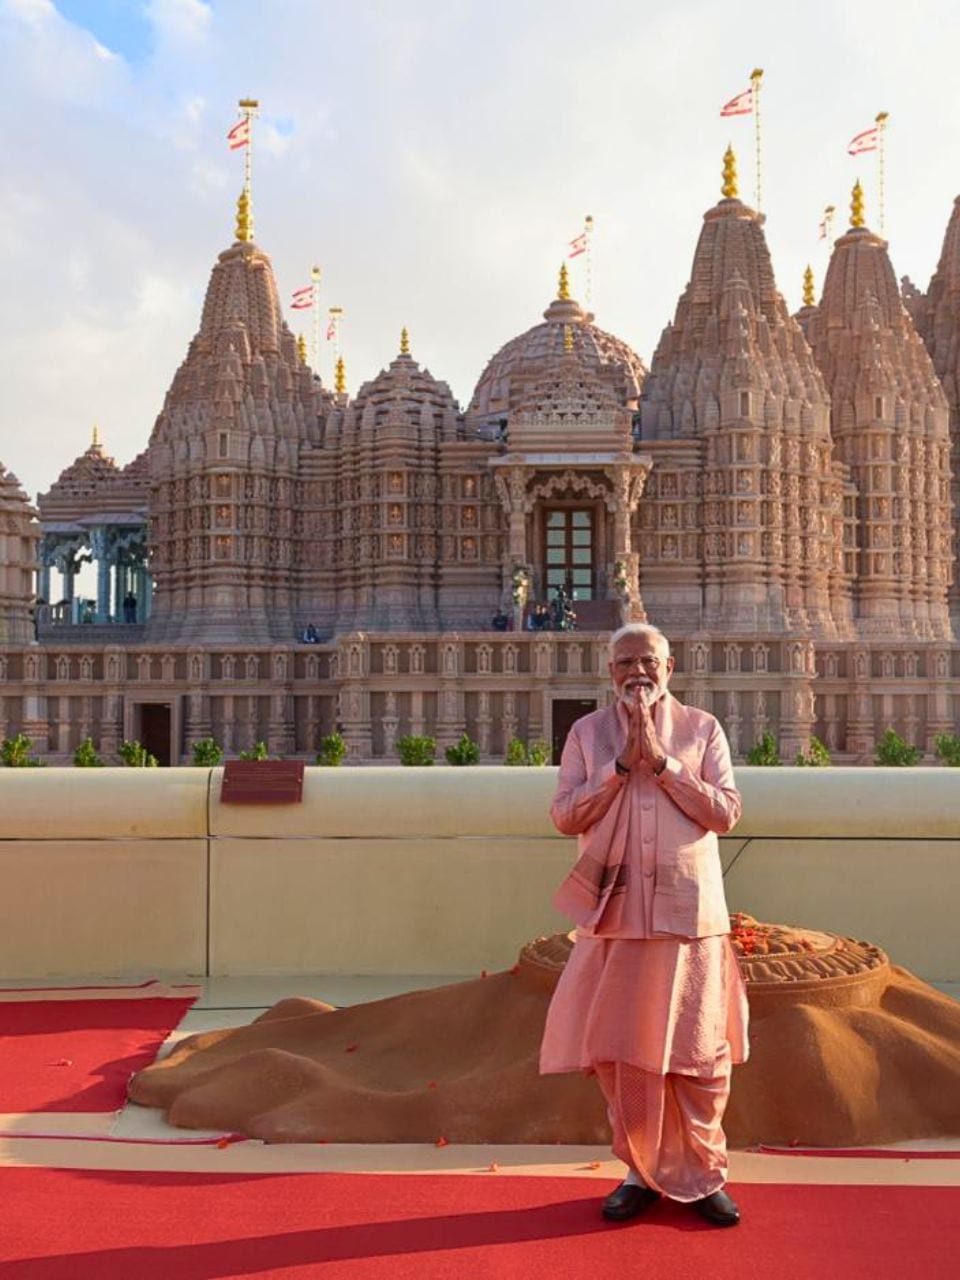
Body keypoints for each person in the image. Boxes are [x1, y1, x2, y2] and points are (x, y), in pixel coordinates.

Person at [540, 622, 747, 1227]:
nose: (639, 672)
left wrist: (663, 766)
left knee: (700, 1055)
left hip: (691, 913)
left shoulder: (702, 729)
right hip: (618, 915)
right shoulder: (587, 734)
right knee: (624, 1057)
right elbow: (562, 815)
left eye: (649, 661)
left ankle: (705, 1173)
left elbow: (726, 812)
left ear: (670, 666)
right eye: (626, 662)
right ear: (611, 673)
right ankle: (640, 1172)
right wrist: (617, 769)